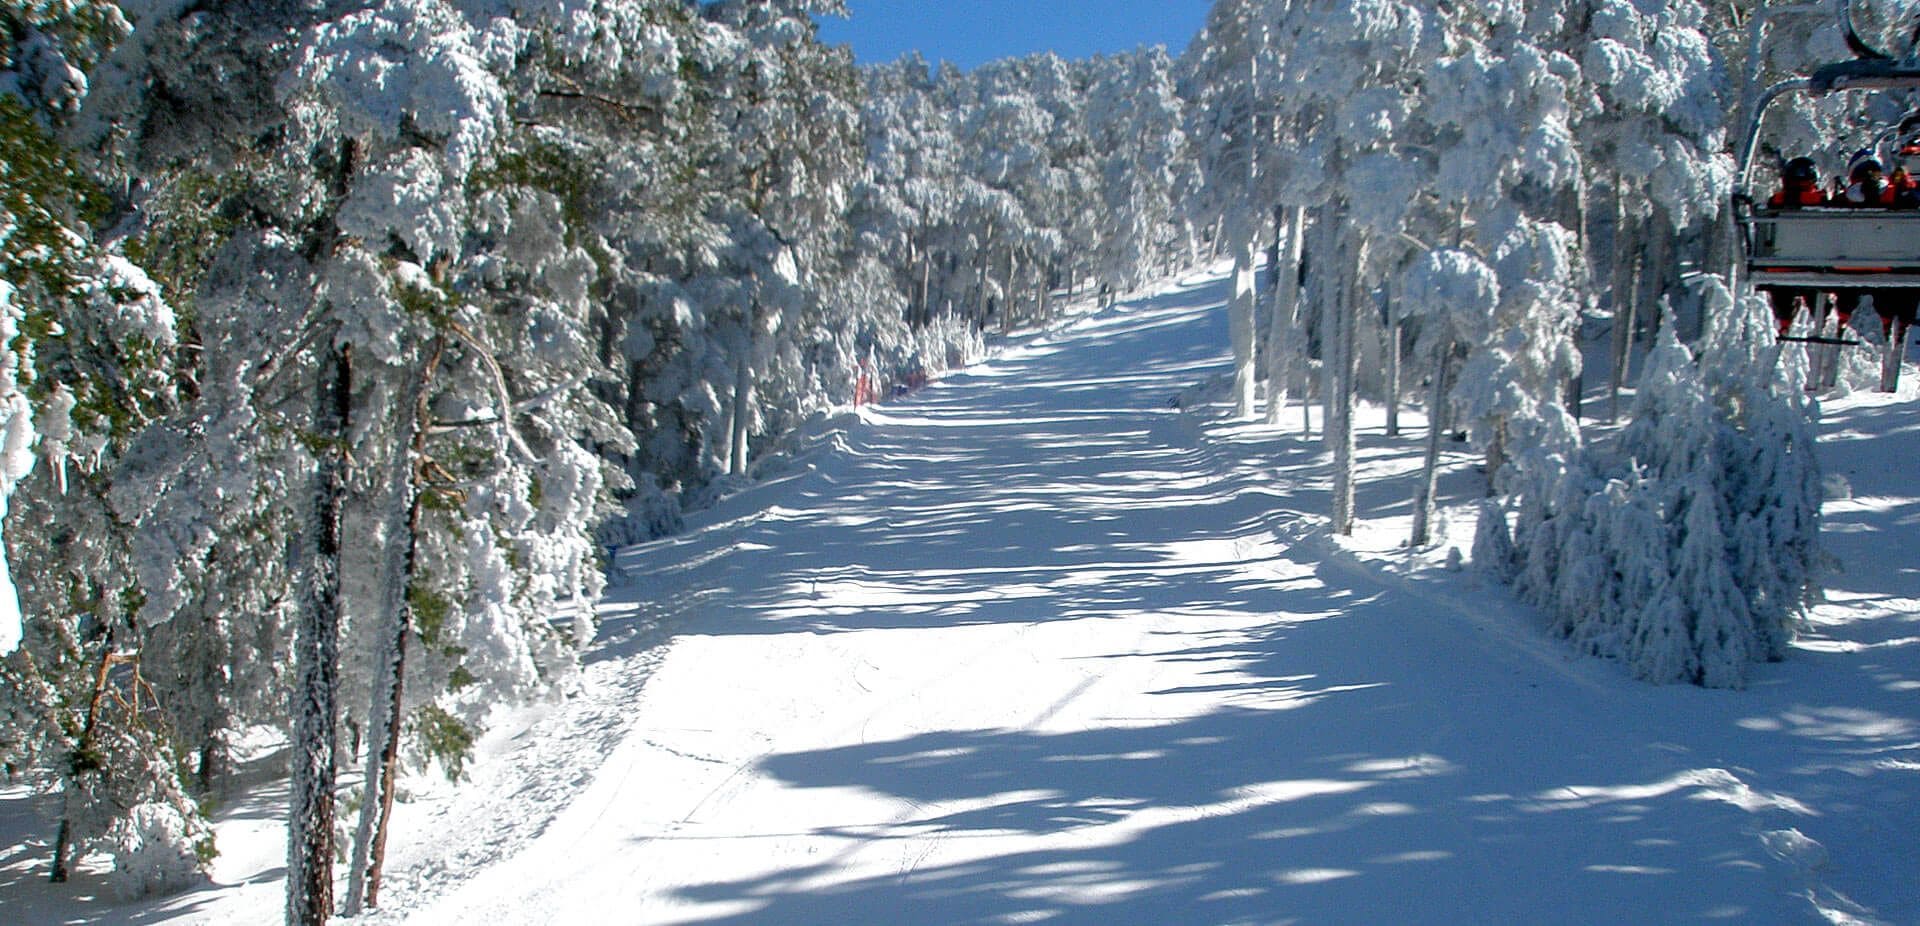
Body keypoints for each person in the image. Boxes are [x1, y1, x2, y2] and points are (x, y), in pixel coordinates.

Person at [1762, 156, 1829, 336]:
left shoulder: (1776, 201)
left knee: (1781, 285)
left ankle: (1784, 321)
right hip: (1813, 265)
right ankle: (1824, 320)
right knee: (1817, 285)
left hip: (1780, 266)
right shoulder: (1820, 201)